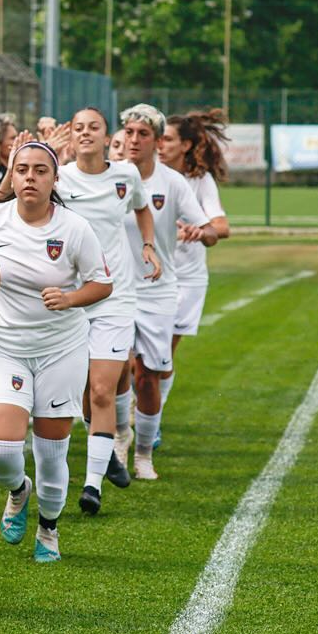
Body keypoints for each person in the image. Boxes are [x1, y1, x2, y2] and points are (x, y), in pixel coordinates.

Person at [0, 136, 112, 563]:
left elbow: (102, 283)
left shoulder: (73, 227)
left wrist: (70, 298)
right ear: (12, 176)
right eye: (22, 170)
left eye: (41, 171)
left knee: (51, 451)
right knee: (2, 452)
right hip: (5, 346)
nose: (31, 178)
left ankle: (49, 528)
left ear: (55, 178)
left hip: (61, 348)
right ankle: (19, 490)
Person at [58, 107, 162, 516]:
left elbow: (142, 209)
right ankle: (110, 453)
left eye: (94, 128)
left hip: (116, 296)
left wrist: (148, 246)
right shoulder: (60, 176)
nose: (85, 133)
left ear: (106, 137)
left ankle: (92, 483)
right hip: (72, 297)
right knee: (85, 391)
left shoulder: (126, 175)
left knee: (102, 387)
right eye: (79, 127)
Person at [116, 104, 216, 481]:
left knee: (148, 375)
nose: (134, 140)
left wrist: (200, 233)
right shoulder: (111, 178)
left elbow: (208, 229)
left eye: (143, 134)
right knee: (117, 369)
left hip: (158, 292)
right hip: (116, 291)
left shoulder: (172, 182)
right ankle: (120, 439)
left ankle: (143, 453)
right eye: (129, 132)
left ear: (157, 142)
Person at [154, 110, 232, 447]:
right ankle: (135, 415)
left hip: (186, 280)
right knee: (135, 360)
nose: (159, 145)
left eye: (167, 139)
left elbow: (221, 228)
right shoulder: (144, 176)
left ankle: (150, 420)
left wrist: (198, 231)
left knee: (161, 357)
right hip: (147, 279)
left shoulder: (200, 181)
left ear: (185, 145)